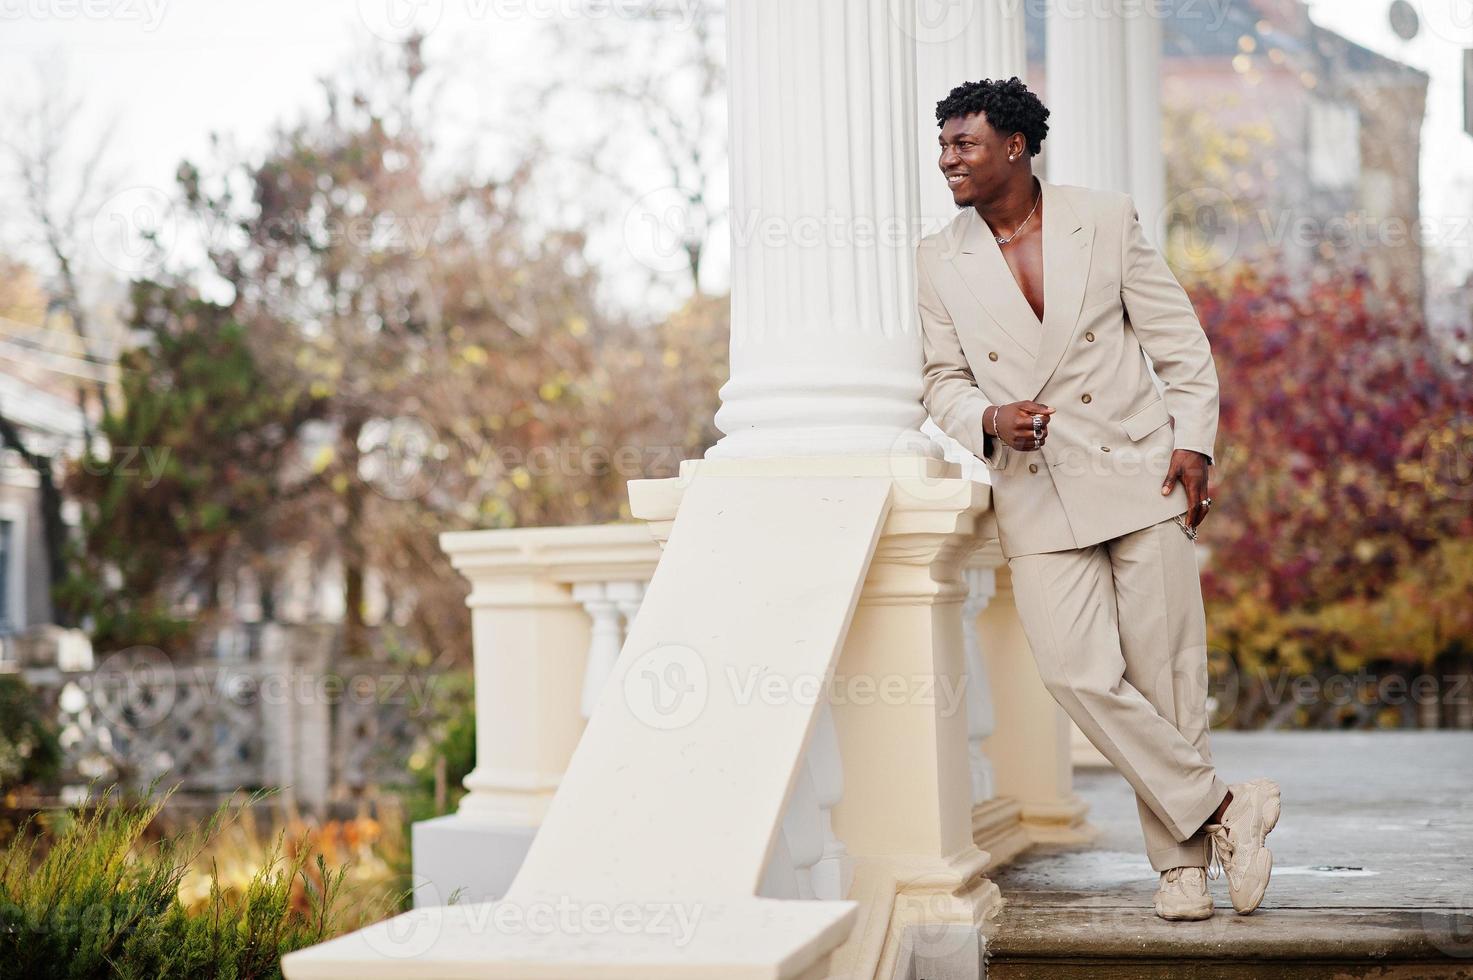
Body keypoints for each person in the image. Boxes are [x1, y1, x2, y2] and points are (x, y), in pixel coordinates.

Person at [915, 76, 1280, 921]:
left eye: (961, 144)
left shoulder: (1103, 218)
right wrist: (989, 417)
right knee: (1076, 672)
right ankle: (1229, 809)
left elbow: (1175, 341)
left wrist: (1193, 442)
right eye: (941, 145)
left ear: (1013, 144)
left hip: (1139, 474)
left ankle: (1181, 868)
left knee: (1165, 676)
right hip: (1034, 492)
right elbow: (938, 379)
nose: (946, 161)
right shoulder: (939, 258)